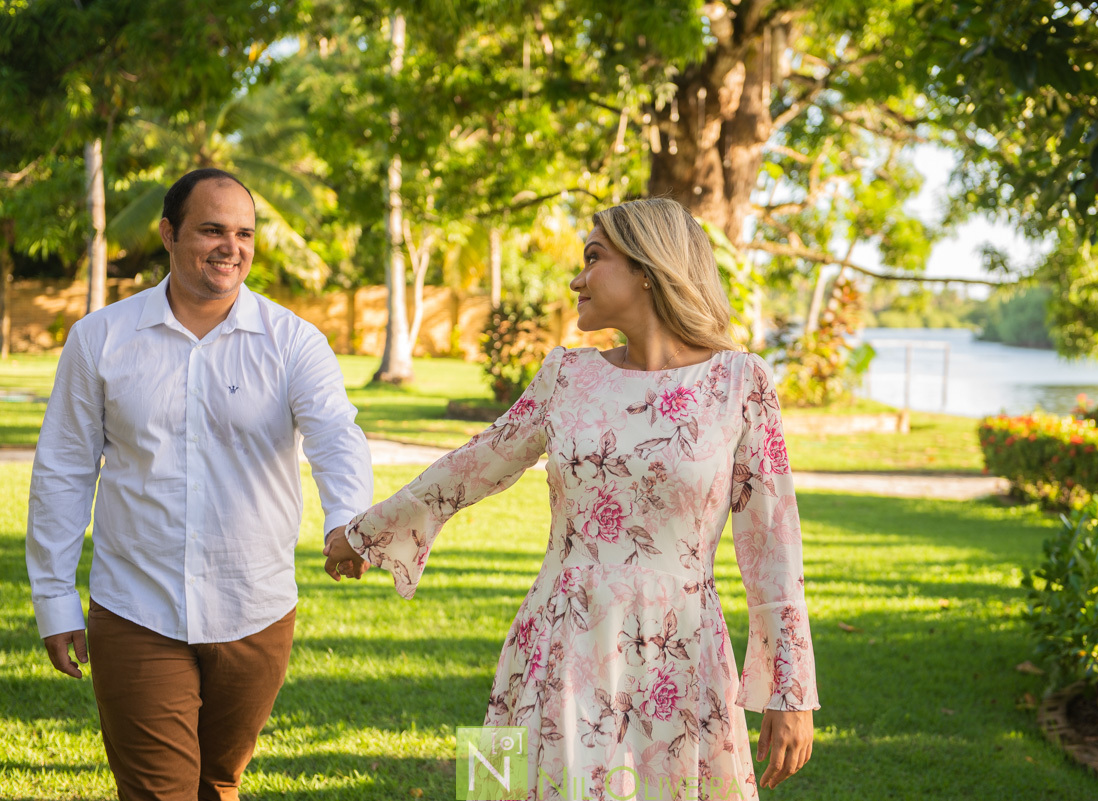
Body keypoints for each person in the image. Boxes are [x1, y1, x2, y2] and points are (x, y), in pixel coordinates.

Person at [325, 197, 818, 799]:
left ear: (647, 268)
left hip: (680, 651)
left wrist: (790, 693)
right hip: (555, 636)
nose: (576, 279)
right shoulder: (566, 374)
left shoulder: (740, 382)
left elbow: (773, 547)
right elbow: (475, 463)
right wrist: (364, 533)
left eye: (593, 258)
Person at [26, 168, 373, 801]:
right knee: (161, 793)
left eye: (243, 233)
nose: (229, 246)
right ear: (169, 234)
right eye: (211, 229)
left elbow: (336, 436)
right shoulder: (100, 339)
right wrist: (54, 597)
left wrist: (346, 520)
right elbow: (64, 468)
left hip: (256, 607)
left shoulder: (293, 341)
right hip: (136, 606)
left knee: (218, 784)